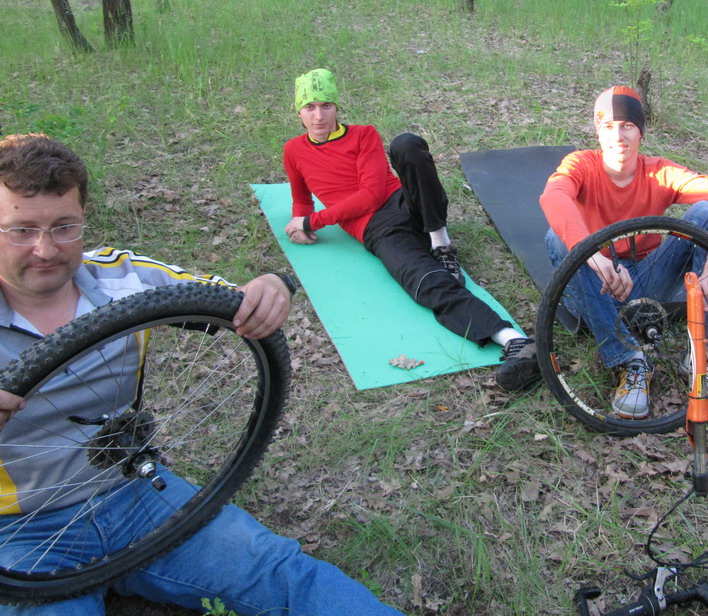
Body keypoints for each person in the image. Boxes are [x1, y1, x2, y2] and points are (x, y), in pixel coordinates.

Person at [0, 133, 404, 616]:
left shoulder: (125, 277)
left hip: (135, 493)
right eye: (21, 230)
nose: (45, 249)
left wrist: (272, 286)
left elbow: (227, 300)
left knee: (288, 577)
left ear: (84, 216)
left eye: (64, 226)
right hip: (19, 531)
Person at [282, 69, 538, 391]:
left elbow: (371, 195)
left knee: (406, 144)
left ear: (336, 107)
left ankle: (440, 243)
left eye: (326, 105)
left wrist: (313, 221)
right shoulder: (293, 151)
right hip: (378, 231)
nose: (319, 116)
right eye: (309, 107)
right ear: (299, 112)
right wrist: (300, 222)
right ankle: (516, 342)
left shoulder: (363, 134)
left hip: (403, 202)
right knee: (426, 283)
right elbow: (301, 198)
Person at [539, 86, 708, 419]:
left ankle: (704, 358)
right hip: (593, 285)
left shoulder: (659, 172)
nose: (618, 135)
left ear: (641, 131)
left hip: (646, 278)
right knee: (556, 238)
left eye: (627, 125)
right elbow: (553, 197)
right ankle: (630, 362)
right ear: (598, 131)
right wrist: (596, 258)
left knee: (706, 212)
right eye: (609, 126)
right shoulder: (580, 163)